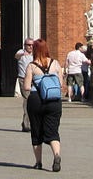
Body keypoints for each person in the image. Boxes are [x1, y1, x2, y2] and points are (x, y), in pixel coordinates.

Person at [22, 38, 64, 172]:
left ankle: (38, 162)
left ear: (34, 50)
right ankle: (57, 155)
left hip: (36, 100)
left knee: (36, 131)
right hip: (54, 101)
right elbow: (61, 84)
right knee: (53, 131)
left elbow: (27, 87)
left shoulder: (32, 66)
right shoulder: (56, 64)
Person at [15, 38, 34, 131]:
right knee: (27, 100)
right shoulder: (21, 52)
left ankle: (25, 122)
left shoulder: (35, 54)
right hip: (23, 79)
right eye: (29, 45)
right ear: (25, 45)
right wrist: (23, 54)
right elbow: (16, 56)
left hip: (34, 80)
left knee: (33, 100)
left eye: (32, 45)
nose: (31, 47)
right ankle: (27, 125)